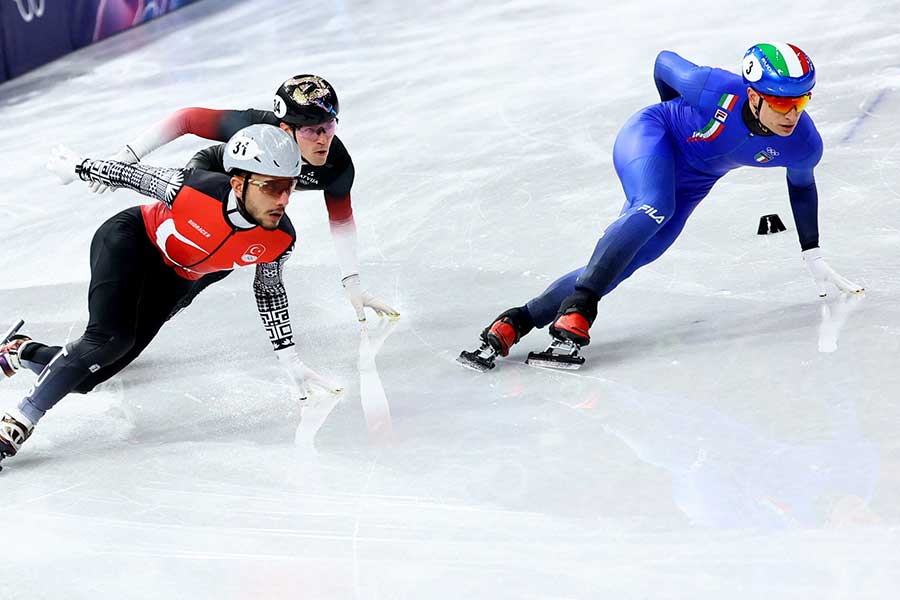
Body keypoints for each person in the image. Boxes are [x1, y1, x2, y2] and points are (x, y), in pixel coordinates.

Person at [462, 43, 863, 370]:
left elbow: (802, 186)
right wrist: (677, 116)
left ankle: (518, 320)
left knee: (634, 257)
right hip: (653, 135)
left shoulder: (803, 144)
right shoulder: (712, 88)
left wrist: (812, 252)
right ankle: (580, 307)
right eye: (780, 102)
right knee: (654, 205)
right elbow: (663, 63)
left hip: (692, 182)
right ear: (754, 96)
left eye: (802, 101)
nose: (792, 114)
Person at [0, 124, 341, 467]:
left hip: (175, 279)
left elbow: (269, 292)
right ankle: (16, 423)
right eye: (272, 187)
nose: (283, 200)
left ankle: (19, 352)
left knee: (94, 375)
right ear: (239, 184)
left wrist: (289, 358)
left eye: (289, 187)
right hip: (131, 241)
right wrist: (77, 166)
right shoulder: (192, 188)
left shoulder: (280, 240)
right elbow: (129, 175)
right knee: (108, 340)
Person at [94, 74, 398, 322]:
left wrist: (352, 283)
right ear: (285, 129)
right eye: (310, 130)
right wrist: (128, 156)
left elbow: (341, 222)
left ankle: (140, 322)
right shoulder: (258, 127)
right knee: (190, 247)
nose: (323, 139)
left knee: (209, 270)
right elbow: (187, 119)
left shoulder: (337, 167)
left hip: (254, 198)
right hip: (212, 175)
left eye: (328, 126)